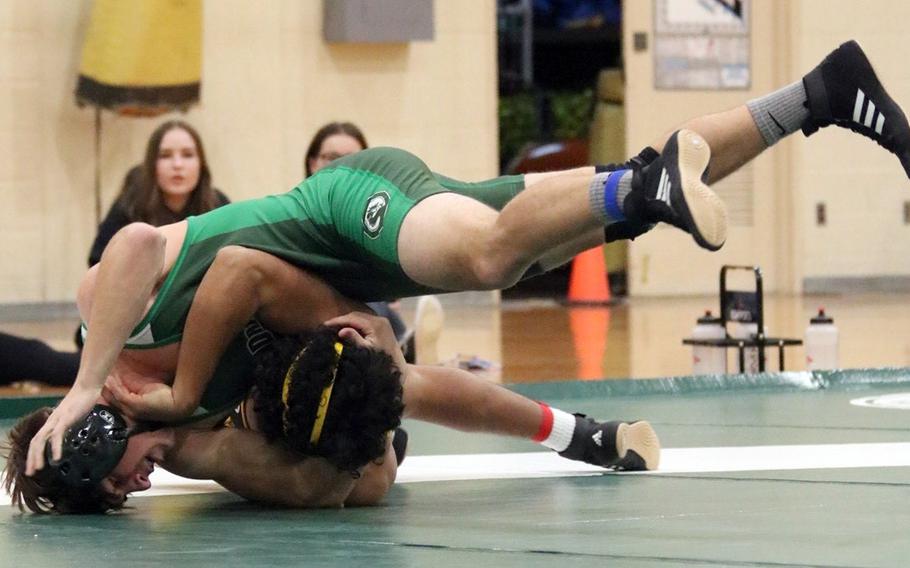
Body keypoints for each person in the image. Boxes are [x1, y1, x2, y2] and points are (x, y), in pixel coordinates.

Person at [18, 40, 910, 504]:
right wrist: (578, 435)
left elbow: (179, 256)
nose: (135, 488)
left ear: (94, 427)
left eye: (116, 477)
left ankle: (642, 183)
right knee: (587, 223)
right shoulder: (197, 436)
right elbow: (419, 393)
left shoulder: (122, 328)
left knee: (491, 258)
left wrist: (96, 385)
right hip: (367, 267)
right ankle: (819, 97)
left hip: (341, 212)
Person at [0, 120, 229, 387]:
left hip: (193, 334)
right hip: (128, 332)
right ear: (151, 164)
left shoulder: (218, 206)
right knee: (45, 361)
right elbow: (99, 270)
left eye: (187, 155)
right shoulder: (130, 206)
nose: (177, 164)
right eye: (166, 156)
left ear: (201, 164)